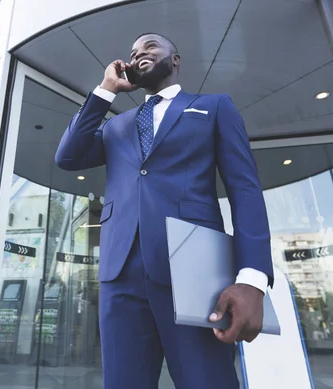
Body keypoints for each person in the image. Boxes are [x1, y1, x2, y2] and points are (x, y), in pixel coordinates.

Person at [55, 33, 273, 389]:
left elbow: (245, 191)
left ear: (176, 59)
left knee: (208, 381)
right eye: (133, 51)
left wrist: (252, 280)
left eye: (151, 46)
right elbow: (67, 156)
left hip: (193, 270)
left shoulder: (214, 107)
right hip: (119, 273)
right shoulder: (115, 126)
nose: (139, 52)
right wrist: (106, 90)